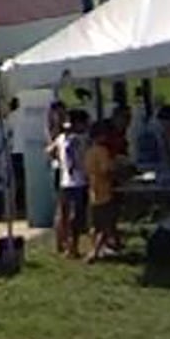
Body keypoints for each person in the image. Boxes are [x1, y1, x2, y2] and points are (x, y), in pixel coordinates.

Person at [52, 109, 90, 259]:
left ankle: (61, 244)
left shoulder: (62, 138)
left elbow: (51, 151)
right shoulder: (80, 140)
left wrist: (60, 162)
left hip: (65, 180)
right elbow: (80, 160)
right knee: (76, 216)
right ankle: (72, 247)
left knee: (64, 214)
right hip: (78, 181)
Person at [85, 120, 125, 261]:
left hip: (93, 190)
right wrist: (117, 174)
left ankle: (102, 247)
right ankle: (95, 252)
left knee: (95, 225)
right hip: (104, 191)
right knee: (106, 224)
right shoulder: (102, 151)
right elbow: (106, 170)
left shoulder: (89, 151)